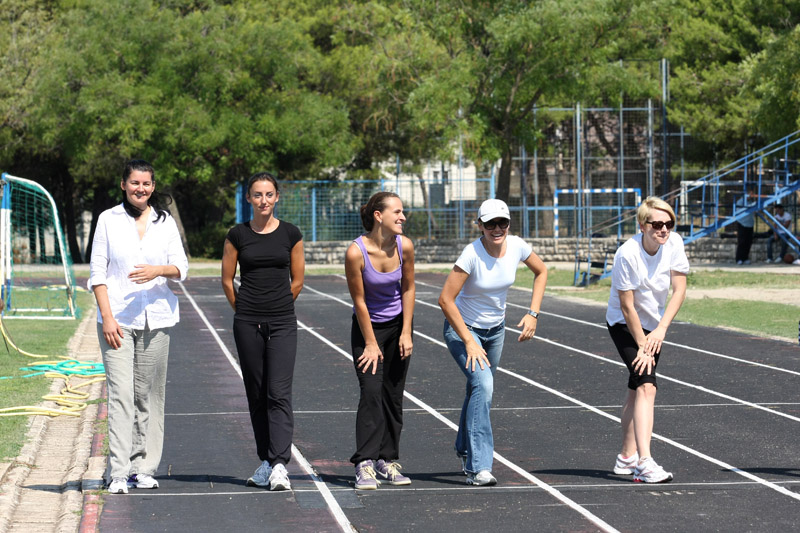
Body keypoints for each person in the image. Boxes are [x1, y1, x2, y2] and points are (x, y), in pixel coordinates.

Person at [89, 159, 189, 495]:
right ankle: (118, 471)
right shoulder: (107, 220)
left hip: (156, 319)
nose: (140, 189)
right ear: (123, 185)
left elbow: (182, 267)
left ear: (153, 187)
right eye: (134, 183)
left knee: (149, 395)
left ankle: (143, 467)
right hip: (117, 320)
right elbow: (97, 274)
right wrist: (107, 317)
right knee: (121, 396)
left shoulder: (164, 222)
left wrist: (158, 270)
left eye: (146, 184)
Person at [438, 198, 547, 486]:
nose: (497, 229)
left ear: (509, 224)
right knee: (483, 386)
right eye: (490, 224)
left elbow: (542, 271)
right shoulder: (471, 254)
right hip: (463, 329)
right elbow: (445, 300)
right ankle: (479, 467)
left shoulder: (518, 246)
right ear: (480, 226)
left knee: (477, 390)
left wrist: (533, 313)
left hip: (495, 331)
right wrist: (469, 342)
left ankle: (464, 448)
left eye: (502, 223)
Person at [221, 172, 304, 492]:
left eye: (269, 194)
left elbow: (297, 280)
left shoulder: (291, 234)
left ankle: (281, 463)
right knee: (256, 394)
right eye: (257, 195)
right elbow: (228, 280)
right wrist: (243, 311)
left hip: (283, 322)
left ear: (277, 197)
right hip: (247, 323)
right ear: (248, 199)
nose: (263, 200)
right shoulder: (237, 235)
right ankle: (266, 462)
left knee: (278, 393)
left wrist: (279, 305)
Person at [606, 196, 689, 483]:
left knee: (635, 387)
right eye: (657, 224)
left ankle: (625, 457)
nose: (663, 229)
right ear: (642, 225)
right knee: (647, 386)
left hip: (654, 326)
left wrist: (661, 330)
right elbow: (627, 306)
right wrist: (642, 345)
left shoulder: (674, 244)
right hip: (624, 325)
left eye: (669, 224)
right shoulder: (627, 254)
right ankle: (644, 461)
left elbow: (679, 289)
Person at [345, 192, 415, 490]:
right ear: (378, 215)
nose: (403, 217)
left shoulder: (405, 246)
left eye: (403, 212)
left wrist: (407, 331)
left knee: (393, 395)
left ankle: (388, 460)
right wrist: (371, 343)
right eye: (397, 212)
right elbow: (359, 301)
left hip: (398, 326)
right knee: (371, 392)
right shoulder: (356, 252)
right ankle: (365, 463)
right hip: (367, 328)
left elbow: (409, 288)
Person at [735, 191, 756, 265]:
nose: (751, 196)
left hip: (750, 224)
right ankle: (739, 258)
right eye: (750, 195)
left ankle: (745, 258)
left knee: (748, 242)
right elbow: (740, 212)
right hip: (742, 223)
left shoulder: (750, 202)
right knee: (742, 242)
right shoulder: (740, 201)